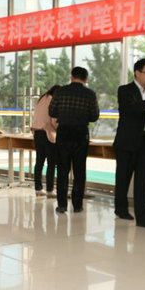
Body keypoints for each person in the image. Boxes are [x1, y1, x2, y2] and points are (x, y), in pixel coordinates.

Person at [113, 58, 145, 228]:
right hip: (126, 143)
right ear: (137, 73)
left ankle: (143, 218)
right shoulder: (125, 90)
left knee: (143, 183)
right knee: (123, 179)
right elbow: (130, 109)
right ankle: (121, 209)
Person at [49, 67, 99, 213]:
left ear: (71, 77)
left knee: (62, 170)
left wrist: (64, 114)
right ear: (86, 79)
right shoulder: (90, 94)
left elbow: (52, 111)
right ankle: (77, 205)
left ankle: (62, 205)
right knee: (79, 170)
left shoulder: (60, 91)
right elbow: (94, 116)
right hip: (81, 133)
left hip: (63, 132)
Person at [31, 85, 60, 198]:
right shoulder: (52, 100)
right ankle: (50, 190)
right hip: (48, 134)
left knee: (39, 162)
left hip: (37, 133)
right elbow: (54, 120)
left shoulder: (41, 99)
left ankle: (38, 189)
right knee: (51, 163)